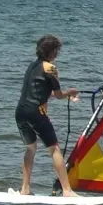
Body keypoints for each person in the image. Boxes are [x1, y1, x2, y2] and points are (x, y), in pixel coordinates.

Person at [17, 35, 81, 196]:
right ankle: (67, 190)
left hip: (21, 112)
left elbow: (40, 92)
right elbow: (58, 94)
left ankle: (25, 188)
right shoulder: (50, 68)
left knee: (30, 149)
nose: (57, 53)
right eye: (57, 50)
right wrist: (71, 92)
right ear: (52, 51)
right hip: (36, 113)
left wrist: (65, 95)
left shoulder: (31, 66)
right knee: (54, 150)